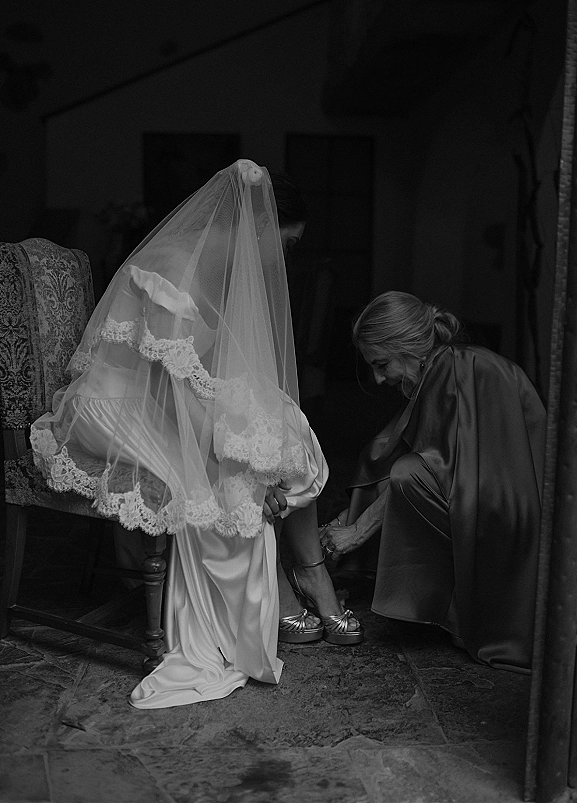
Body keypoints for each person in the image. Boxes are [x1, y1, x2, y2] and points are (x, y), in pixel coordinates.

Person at [31, 160, 362, 710]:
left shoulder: (217, 271)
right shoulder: (169, 267)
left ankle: (305, 574)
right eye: (288, 241)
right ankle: (272, 594)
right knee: (227, 483)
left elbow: (200, 378)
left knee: (281, 423)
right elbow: (175, 388)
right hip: (114, 407)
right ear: (259, 225)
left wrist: (255, 436)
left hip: (162, 404)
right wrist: (239, 460)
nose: (285, 256)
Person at [320, 291, 546, 673]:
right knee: (392, 466)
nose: (378, 379)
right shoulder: (443, 364)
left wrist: (359, 530)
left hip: (515, 512)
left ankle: (457, 609)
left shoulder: (460, 370)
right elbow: (394, 457)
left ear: (409, 347)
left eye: (381, 364)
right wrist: (348, 516)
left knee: (408, 475)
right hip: (497, 497)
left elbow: (434, 468)